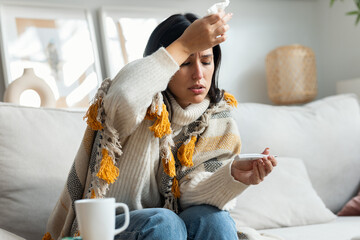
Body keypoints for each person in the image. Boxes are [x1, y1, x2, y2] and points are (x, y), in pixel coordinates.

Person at [45, 10, 277, 240]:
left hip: (171, 225)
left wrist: (232, 174)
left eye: (206, 61)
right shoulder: (141, 103)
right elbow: (124, 97)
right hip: (113, 226)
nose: (199, 74)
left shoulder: (219, 119)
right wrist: (184, 44)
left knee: (213, 219)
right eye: (185, 62)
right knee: (164, 222)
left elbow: (188, 196)